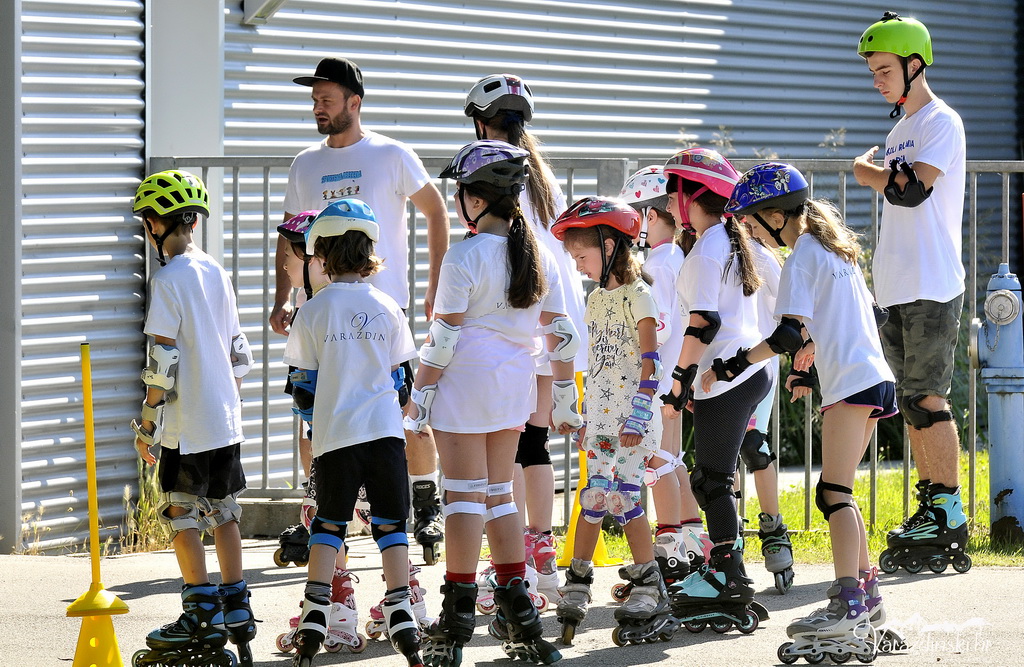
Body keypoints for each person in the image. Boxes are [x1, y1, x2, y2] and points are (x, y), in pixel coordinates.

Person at [404, 140, 577, 667]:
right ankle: (519, 609)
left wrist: (418, 397)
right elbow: (563, 333)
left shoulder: (465, 254)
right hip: (513, 386)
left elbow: (443, 339)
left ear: (475, 201)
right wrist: (566, 397)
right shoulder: (538, 252)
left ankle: (456, 615)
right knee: (500, 495)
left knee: (461, 497)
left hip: (464, 383)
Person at [717, 162, 898, 663]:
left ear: (776, 215)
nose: (751, 231)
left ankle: (847, 603)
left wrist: (734, 364)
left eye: (753, 222)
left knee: (833, 493)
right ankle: (869, 600)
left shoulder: (800, 257)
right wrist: (807, 365)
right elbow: (862, 314)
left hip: (853, 384)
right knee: (844, 493)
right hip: (875, 378)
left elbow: (787, 335)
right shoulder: (836, 250)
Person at [276, 56, 449, 564]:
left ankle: (425, 501)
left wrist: (435, 283)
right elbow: (288, 234)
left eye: (326, 100)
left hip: (382, 306)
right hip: (320, 309)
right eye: (313, 100)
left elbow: (436, 210)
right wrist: (283, 297)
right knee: (312, 415)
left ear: (355, 102)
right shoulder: (305, 163)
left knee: (405, 412)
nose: (317, 108)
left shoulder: (390, 154)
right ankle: (319, 510)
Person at [282, 199, 424, 667]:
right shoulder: (386, 306)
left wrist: (317, 414)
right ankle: (401, 608)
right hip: (385, 434)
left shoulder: (312, 312)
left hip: (335, 437)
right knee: (389, 525)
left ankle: (315, 613)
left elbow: (302, 387)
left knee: (329, 524)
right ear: (369, 252)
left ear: (320, 252)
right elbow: (402, 377)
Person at [462, 72, 587, 602]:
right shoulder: (541, 172)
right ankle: (540, 547)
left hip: (517, 312)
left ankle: (508, 561)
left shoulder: (484, 167)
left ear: (480, 121)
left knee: (508, 442)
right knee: (535, 442)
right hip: (556, 310)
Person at [853, 12, 970, 573]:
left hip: (930, 281)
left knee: (928, 398)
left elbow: (911, 191)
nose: (876, 80)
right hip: (898, 283)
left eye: (882, 70)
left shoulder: (940, 122)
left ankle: (950, 510)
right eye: (872, 72)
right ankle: (931, 504)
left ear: (914, 64)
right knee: (910, 404)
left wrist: (866, 173)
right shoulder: (900, 128)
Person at [129, 169, 256, 666]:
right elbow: (239, 351)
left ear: (159, 226)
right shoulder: (215, 271)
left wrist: (147, 423)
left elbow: (163, 359)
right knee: (224, 512)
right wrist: (225, 395)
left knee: (183, 514)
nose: (147, 230)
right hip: (225, 419)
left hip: (187, 425)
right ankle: (236, 608)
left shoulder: (167, 280)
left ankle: (199, 611)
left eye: (148, 222)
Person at [552, 196, 678, 646]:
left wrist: (641, 413)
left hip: (633, 419)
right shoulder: (595, 300)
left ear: (610, 246)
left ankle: (649, 586)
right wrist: (584, 416)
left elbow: (652, 361)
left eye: (582, 256)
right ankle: (577, 584)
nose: (579, 265)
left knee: (624, 498)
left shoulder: (638, 295)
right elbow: (598, 368)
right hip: (603, 421)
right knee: (593, 497)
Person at [658, 148, 769, 635]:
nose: (667, 200)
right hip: (743, 372)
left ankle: (727, 574)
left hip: (721, 379)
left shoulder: (707, 248)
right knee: (715, 478)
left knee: (711, 481)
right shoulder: (731, 237)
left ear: (693, 196)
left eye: (673, 191)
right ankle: (728, 568)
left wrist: (678, 381)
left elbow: (703, 323)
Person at [618, 166, 706, 587]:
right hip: (672, 378)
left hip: (658, 382)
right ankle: (690, 538)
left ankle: (670, 550)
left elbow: (664, 324)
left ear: (650, 216)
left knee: (657, 463)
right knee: (670, 461)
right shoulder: (674, 258)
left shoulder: (662, 262)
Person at [737, 214, 796, 595]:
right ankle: (729, 534)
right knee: (720, 454)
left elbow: (787, 307)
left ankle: (772, 526)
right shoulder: (703, 252)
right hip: (717, 368)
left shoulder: (760, 255)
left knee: (753, 446)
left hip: (757, 362)